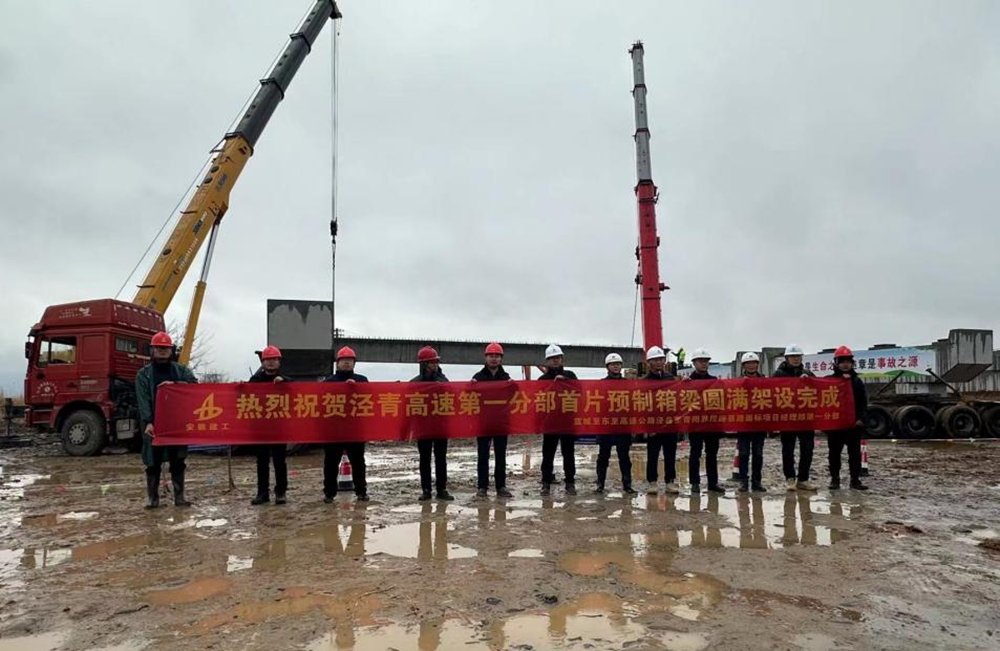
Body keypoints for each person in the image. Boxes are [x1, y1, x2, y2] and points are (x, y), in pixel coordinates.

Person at [136, 331, 197, 509]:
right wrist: (148, 421)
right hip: (154, 425)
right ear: (152, 350)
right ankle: (153, 498)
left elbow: (195, 387)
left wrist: (175, 385)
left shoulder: (181, 371)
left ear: (171, 351)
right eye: (159, 348)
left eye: (166, 348)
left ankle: (179, 496)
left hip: (176, 424)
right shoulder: (144, 374)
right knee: (152, 462)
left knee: (178, 460)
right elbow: (143, 399)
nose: (163, 351)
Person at [322, 346, 370, 502]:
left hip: (355, 429)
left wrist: (356, 388)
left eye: (350, 360)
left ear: (354, 363)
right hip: (334, 430)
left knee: (358, 462)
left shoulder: (362, 380)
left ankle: (361, 491)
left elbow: (370, 400)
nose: (347, 363)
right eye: (344, 360)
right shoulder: (329, 382)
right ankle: (329, 493)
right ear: (338, 363)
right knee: (331, 463)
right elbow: (321, 403)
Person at [248, 345, 291, 505]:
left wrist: (284, 382)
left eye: (274, 359)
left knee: (280, 461)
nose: (271, 362)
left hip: (279, 427)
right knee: (262, 461)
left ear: (279, 362)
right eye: (267, 360)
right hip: (261, 428)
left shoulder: (286, 380)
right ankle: (262, 493)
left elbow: (298, 392)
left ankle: (281, 492)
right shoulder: (255, 381)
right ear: (263, 362)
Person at [773, 344, 818, 492]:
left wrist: (809, 381)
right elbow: (771, 393)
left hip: (805, 418)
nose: (796, 359)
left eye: (798, 356)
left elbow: (819, 390)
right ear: (787, 358)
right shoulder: (778, 375)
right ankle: (790, 479)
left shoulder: (808, 373)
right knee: (788, 450)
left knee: (807, 449)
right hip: (788, 419)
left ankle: (803, 479)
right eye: (793, 356)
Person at [411, 346, 453, 501]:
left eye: (436, 362)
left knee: (441, 459)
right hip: (423, 427)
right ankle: (426, 490)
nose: (435, 365)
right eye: (431, 362)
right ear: (424, 364)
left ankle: (442, 489)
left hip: (440, 426)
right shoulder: (415, 383)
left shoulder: (444, 381)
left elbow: (452, 400)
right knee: (425, 459)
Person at [472, 342, 513, 498]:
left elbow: (516, 396)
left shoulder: (506, 378)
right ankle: (482, 487)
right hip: (483, 423)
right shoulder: (478, 377)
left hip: (501, 423)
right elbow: (468, 396)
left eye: (497, 356)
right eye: (491, 356)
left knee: (500, 456)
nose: (494, 359)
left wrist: (513, 386)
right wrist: (471, 386)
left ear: (501, 358)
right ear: (486, 357)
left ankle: (501, 486)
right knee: (483, 455)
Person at [827, 346, 869, 490]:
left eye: (848, 361)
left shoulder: (857, 381)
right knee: (834, 454)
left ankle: (855, 480)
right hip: (835, 426)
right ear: (836, 363)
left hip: (853, 425)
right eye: (842, 361)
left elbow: (863, 403)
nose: (845, 364)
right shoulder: (829, 381)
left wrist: (861, 419)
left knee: (854, 454)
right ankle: (835, 479)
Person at [684, 348, 726, 495]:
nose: (703, 364)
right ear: (694, 363)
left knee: (712, 454)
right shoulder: (688, 382)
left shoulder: (714, 381)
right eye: (700, 361)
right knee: (695, 453)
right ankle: (695, 483)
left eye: (705, 361)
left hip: (712, 423)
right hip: (695, 424)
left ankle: (712, 483)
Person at [539, 344, 579, 496]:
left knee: (568, 453)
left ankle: (570, 482)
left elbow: (581, 392)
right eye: (552, 358)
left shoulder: (570, 375)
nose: (555, 360)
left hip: (567, 421)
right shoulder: (542, 379)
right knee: (548, 454)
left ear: (562, 359)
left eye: (557, 358)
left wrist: (566, 381)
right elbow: (537, 400)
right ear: (547, 361)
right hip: (550, 422)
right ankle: (545, 483)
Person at [595, 353, 635, 494]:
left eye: (618, 364)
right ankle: (600, 484)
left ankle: (627, 484)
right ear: (607, 367)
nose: (616, 366)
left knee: (624, 458)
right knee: (603, 457)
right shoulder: (601, 384)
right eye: (613, 364)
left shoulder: (627, 384)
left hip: (623, 426)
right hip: (606, 426)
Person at [644, 345, 679, 494]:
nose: (659, 362)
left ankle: (670, 481)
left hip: (669, 424)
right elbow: (641, 405)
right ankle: (652, 482)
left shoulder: (670, 378)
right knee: (652, 455)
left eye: (661, 359)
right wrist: (646, 427)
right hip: (653, 425)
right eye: (655, 360)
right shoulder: (644, 381)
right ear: (649, 363)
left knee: (670, 454)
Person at [737, 352, 767, 493]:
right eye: (748, 363)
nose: (751, 365)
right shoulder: (737, 382)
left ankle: (756, 482)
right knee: (743, 454)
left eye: (753, 363)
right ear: (743, 366)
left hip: (759, 423)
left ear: (758, 365)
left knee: (758, 454)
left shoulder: (765, 381)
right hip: (743, 424)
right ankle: (743, 481)